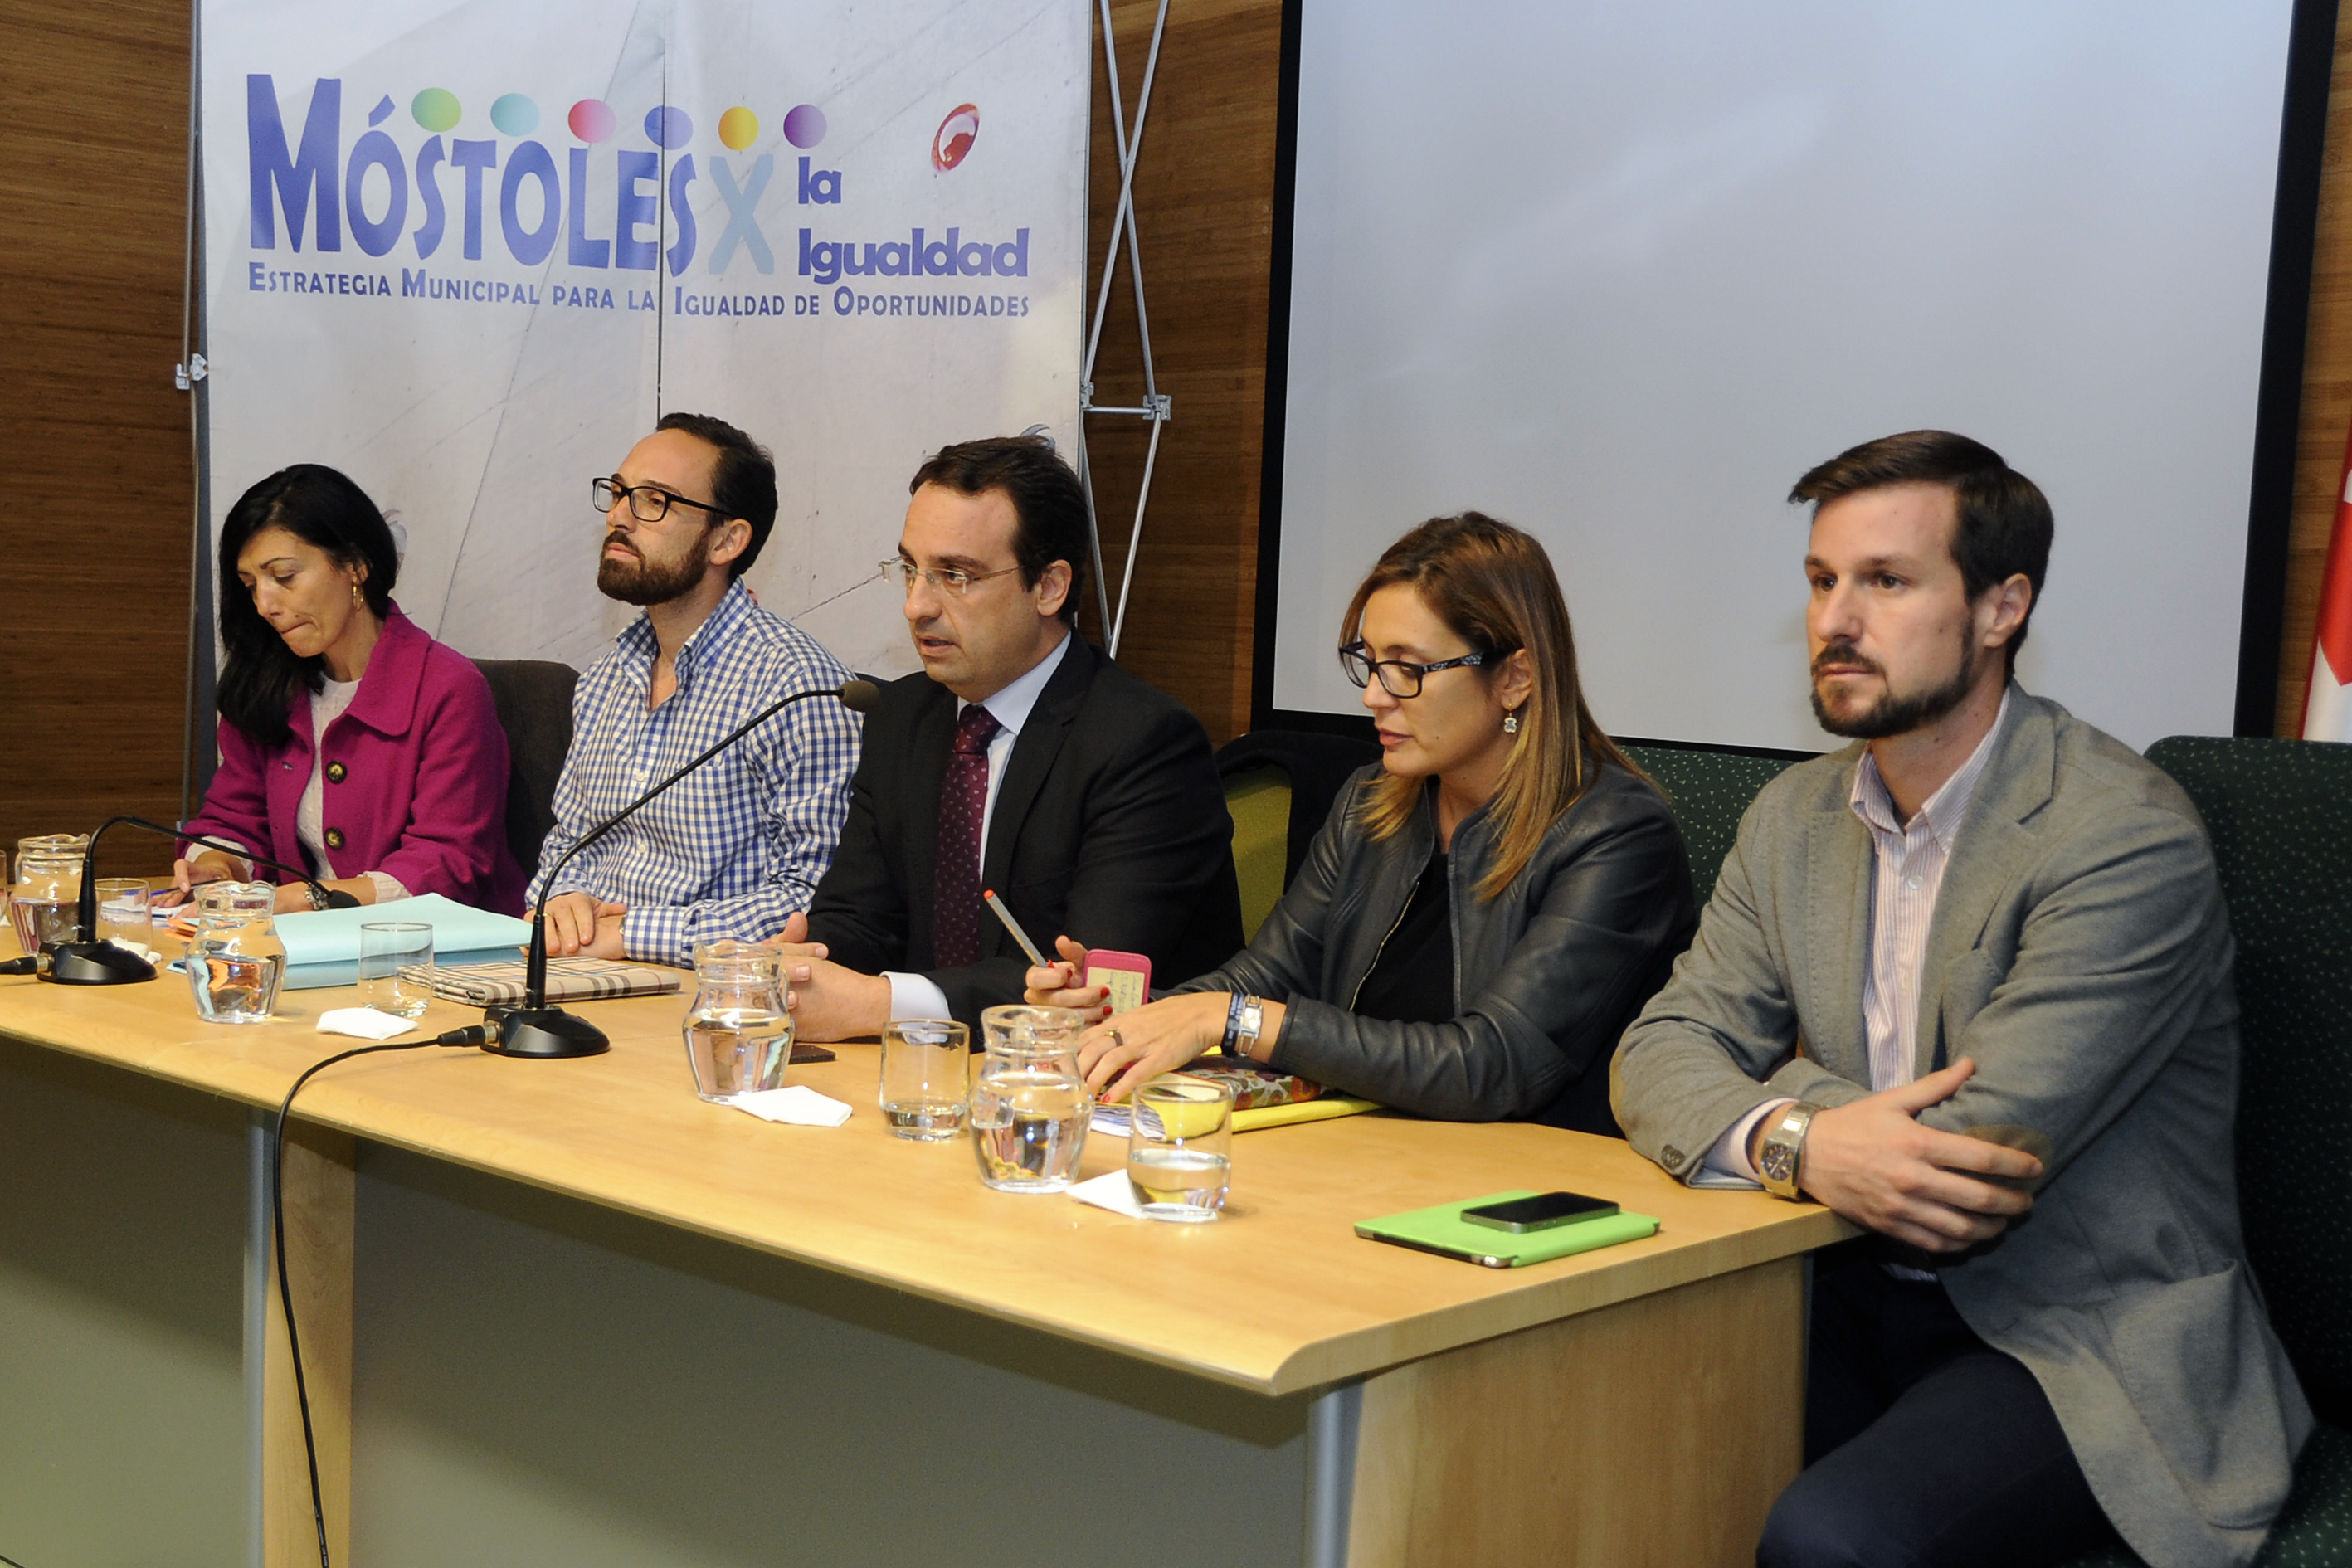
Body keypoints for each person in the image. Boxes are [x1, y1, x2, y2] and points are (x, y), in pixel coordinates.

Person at [1610, 431, 2310, 1567]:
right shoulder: (1791, 817)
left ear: (2000, 608)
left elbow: (1962, 1162)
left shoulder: (2120, 832)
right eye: (1821, 581)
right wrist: (1803, 1139)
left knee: (1831, 1540)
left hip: (2072, 1334)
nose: (1835, 620)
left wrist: (1777, 1090)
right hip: (1834, 1279)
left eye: (1885, 581)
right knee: (1582, 1428)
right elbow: (1658, 1052)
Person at [1028, 512, 1697, 1133]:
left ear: (1514, 678)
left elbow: (1492, 1065)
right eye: (1370, 663)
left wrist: (1229, 1019)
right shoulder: (1371, 803)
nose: (1375, 695)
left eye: (1407, 669)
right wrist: (1118, 1014)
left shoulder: (1614, 834)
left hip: (1533, 1182)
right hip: (1367, 1151)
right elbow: (1261, 981)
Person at [772, 434, 1242, 1035]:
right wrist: (806, 967)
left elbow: (1088, 984)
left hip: (1109, 1077)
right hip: (929, 1066)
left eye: (955, 575)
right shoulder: (903, 715)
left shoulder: (1144, 744)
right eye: (912, 570)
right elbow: (862, 918)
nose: (917, 605)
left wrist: (878, 1003)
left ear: (1049, 587)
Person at [532, 413, 861, 966]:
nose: (618, 516)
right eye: (618, 492)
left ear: (726, 541)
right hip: (583, 967)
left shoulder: (798, 687)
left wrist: (632, 934)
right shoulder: (604, 678)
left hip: (713, 988)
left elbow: (809, 894)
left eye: (654, 501)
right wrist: (563, 901)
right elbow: (569, 842)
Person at [174, 464, 524, 913]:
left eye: (284, 577)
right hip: (306, 941)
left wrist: (308, 899)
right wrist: (220, 868)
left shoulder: (448, 688)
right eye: (250, 586)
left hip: (436, 944)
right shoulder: (267, 684)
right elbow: (235, 818)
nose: (264, 605)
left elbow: (446, 862)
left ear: (356, 565)